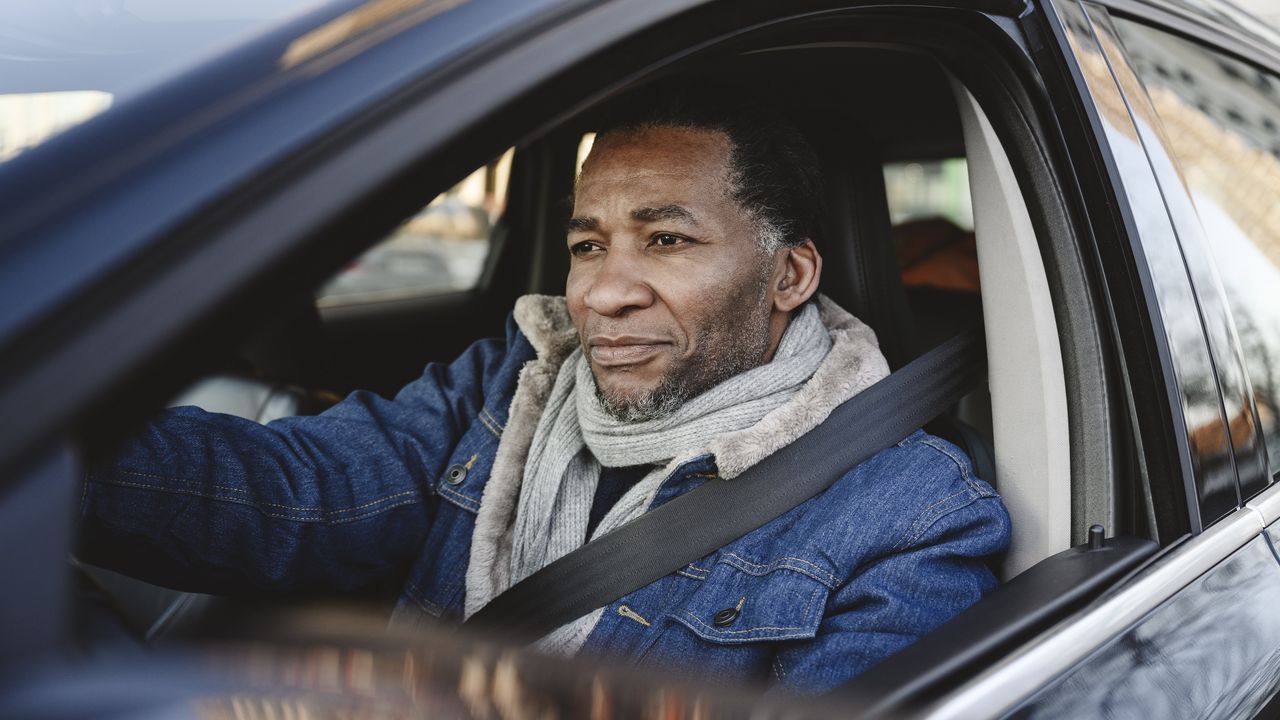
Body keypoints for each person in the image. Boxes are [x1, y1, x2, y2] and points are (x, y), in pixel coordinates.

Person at [79, 86, 1010, 694]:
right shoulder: (511, 387)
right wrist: (53, 457)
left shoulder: (910, 515)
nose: (605, 291)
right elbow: (290, 494)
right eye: (588, 244)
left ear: (790, 276)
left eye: (668, 240)